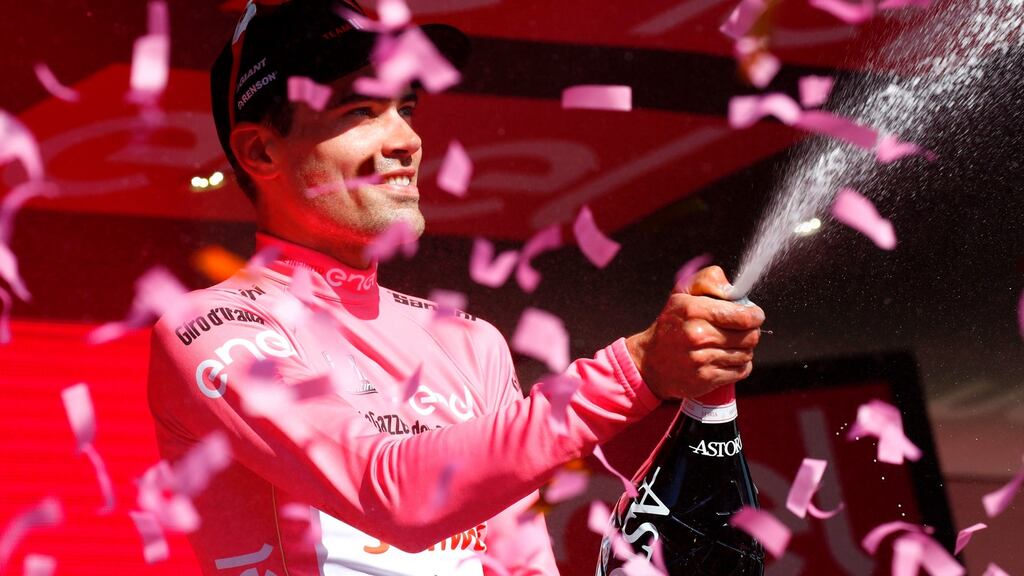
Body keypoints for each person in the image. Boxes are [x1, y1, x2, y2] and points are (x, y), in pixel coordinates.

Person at [145, 0, 765, 574]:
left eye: (405, 109)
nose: (406, 141)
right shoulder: (211, 328)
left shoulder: (472, 344)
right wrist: (639, 370)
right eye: (360, 110)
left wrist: (696, 382)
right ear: (260, 152)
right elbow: (393, 495)